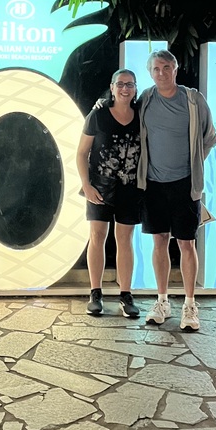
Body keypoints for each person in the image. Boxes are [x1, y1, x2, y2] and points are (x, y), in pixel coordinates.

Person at [137, 50, 216, 331]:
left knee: (186, 243)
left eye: (166, 67)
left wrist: (194, 165)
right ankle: (162, 301)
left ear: (176, 69)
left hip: (185, 184)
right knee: (159, 241)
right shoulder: (145, 99)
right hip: (153, 185)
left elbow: (210, 137)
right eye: (156, 68)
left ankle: (190, 305)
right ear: (150, 72)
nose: (162, 73)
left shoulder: (193, 100)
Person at [76, 69, 143, 319]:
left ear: (135, 88)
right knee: (97, 236)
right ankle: (95, 293)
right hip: (99, 188)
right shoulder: (97, 115)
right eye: (120, 84)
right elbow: (82, 153)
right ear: (112, 87)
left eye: (130, 84)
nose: (125, 89)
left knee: (125, 239)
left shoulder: (142, 116)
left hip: (130, 189)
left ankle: (126, 295)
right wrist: (87, 185)